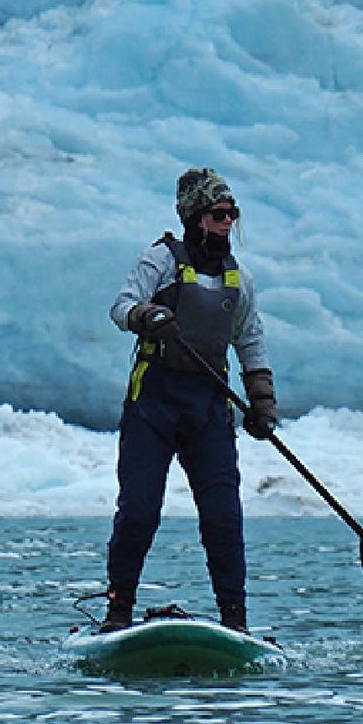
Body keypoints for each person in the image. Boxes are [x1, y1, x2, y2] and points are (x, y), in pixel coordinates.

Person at [103, 168, 278, 633]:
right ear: (195, 217)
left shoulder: (239, 279)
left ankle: (235, 620)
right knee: (139, 511)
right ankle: (118, 611)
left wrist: (261, 401)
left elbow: (250, 339)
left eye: (232, 214)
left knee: (223, 518)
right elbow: (121, 307)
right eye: (219, 214)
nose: (227, 222)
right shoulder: (160, 259)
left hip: (208, 408)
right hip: (153, 404)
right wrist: (147, 315)